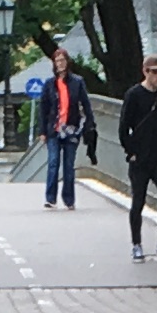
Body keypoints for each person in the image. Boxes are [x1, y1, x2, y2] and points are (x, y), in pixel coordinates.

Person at [121, 57, 157, 260]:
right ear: (145, 71)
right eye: (154, 72)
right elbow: (123, 128)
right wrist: (131, 152)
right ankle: (136, 244)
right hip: (139, 159)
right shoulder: (133, 95)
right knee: (138, 201)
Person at [34, 45, 96, 209]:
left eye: (62, 60)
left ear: (67, 62)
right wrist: (42, 131)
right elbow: (43, 108)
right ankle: (50, 198)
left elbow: (86, 105)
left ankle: (69, 200)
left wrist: (89, 124)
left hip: (71, 129)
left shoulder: (77, 82)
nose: (60, 64)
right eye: (57, 61)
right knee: (53, 162)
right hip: (54, 129)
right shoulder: (50, 84)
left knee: (69, 165)